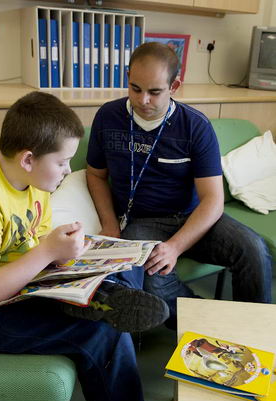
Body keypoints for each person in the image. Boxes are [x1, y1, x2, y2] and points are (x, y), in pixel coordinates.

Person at [0, 91, 170, 401]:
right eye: (62, 162)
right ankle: (86, 306)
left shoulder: (34, 183)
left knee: (123, 270)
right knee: (102, 336)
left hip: (16, 286)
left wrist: (64, 254)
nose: (67, 170)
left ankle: (91, 296)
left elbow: (29, 248)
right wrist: (49, 251)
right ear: (27, 158)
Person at [86, 42, 272, 327]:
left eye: (154, 92)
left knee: (254, 250)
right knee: (156, 288)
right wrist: (110, 224)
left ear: (175, 86)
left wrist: (175, 246)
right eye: (135, 88)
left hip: (192, 218)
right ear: (127, 77)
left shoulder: (195, 126)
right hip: (143, 224)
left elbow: (212, 200)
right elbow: (96, 175)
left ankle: (257, 330)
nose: (143, 100)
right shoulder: (108, 117)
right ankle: (215, 324)